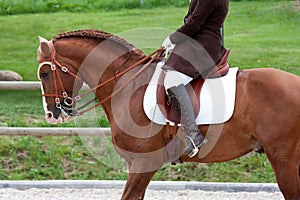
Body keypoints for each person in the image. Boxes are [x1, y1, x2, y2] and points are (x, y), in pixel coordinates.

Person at [161, 0, 229, 158]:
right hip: (194, 42)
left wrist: (173, 39)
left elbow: (194, 23)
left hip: (203, 45)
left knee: (171, 80)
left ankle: (193, 135)